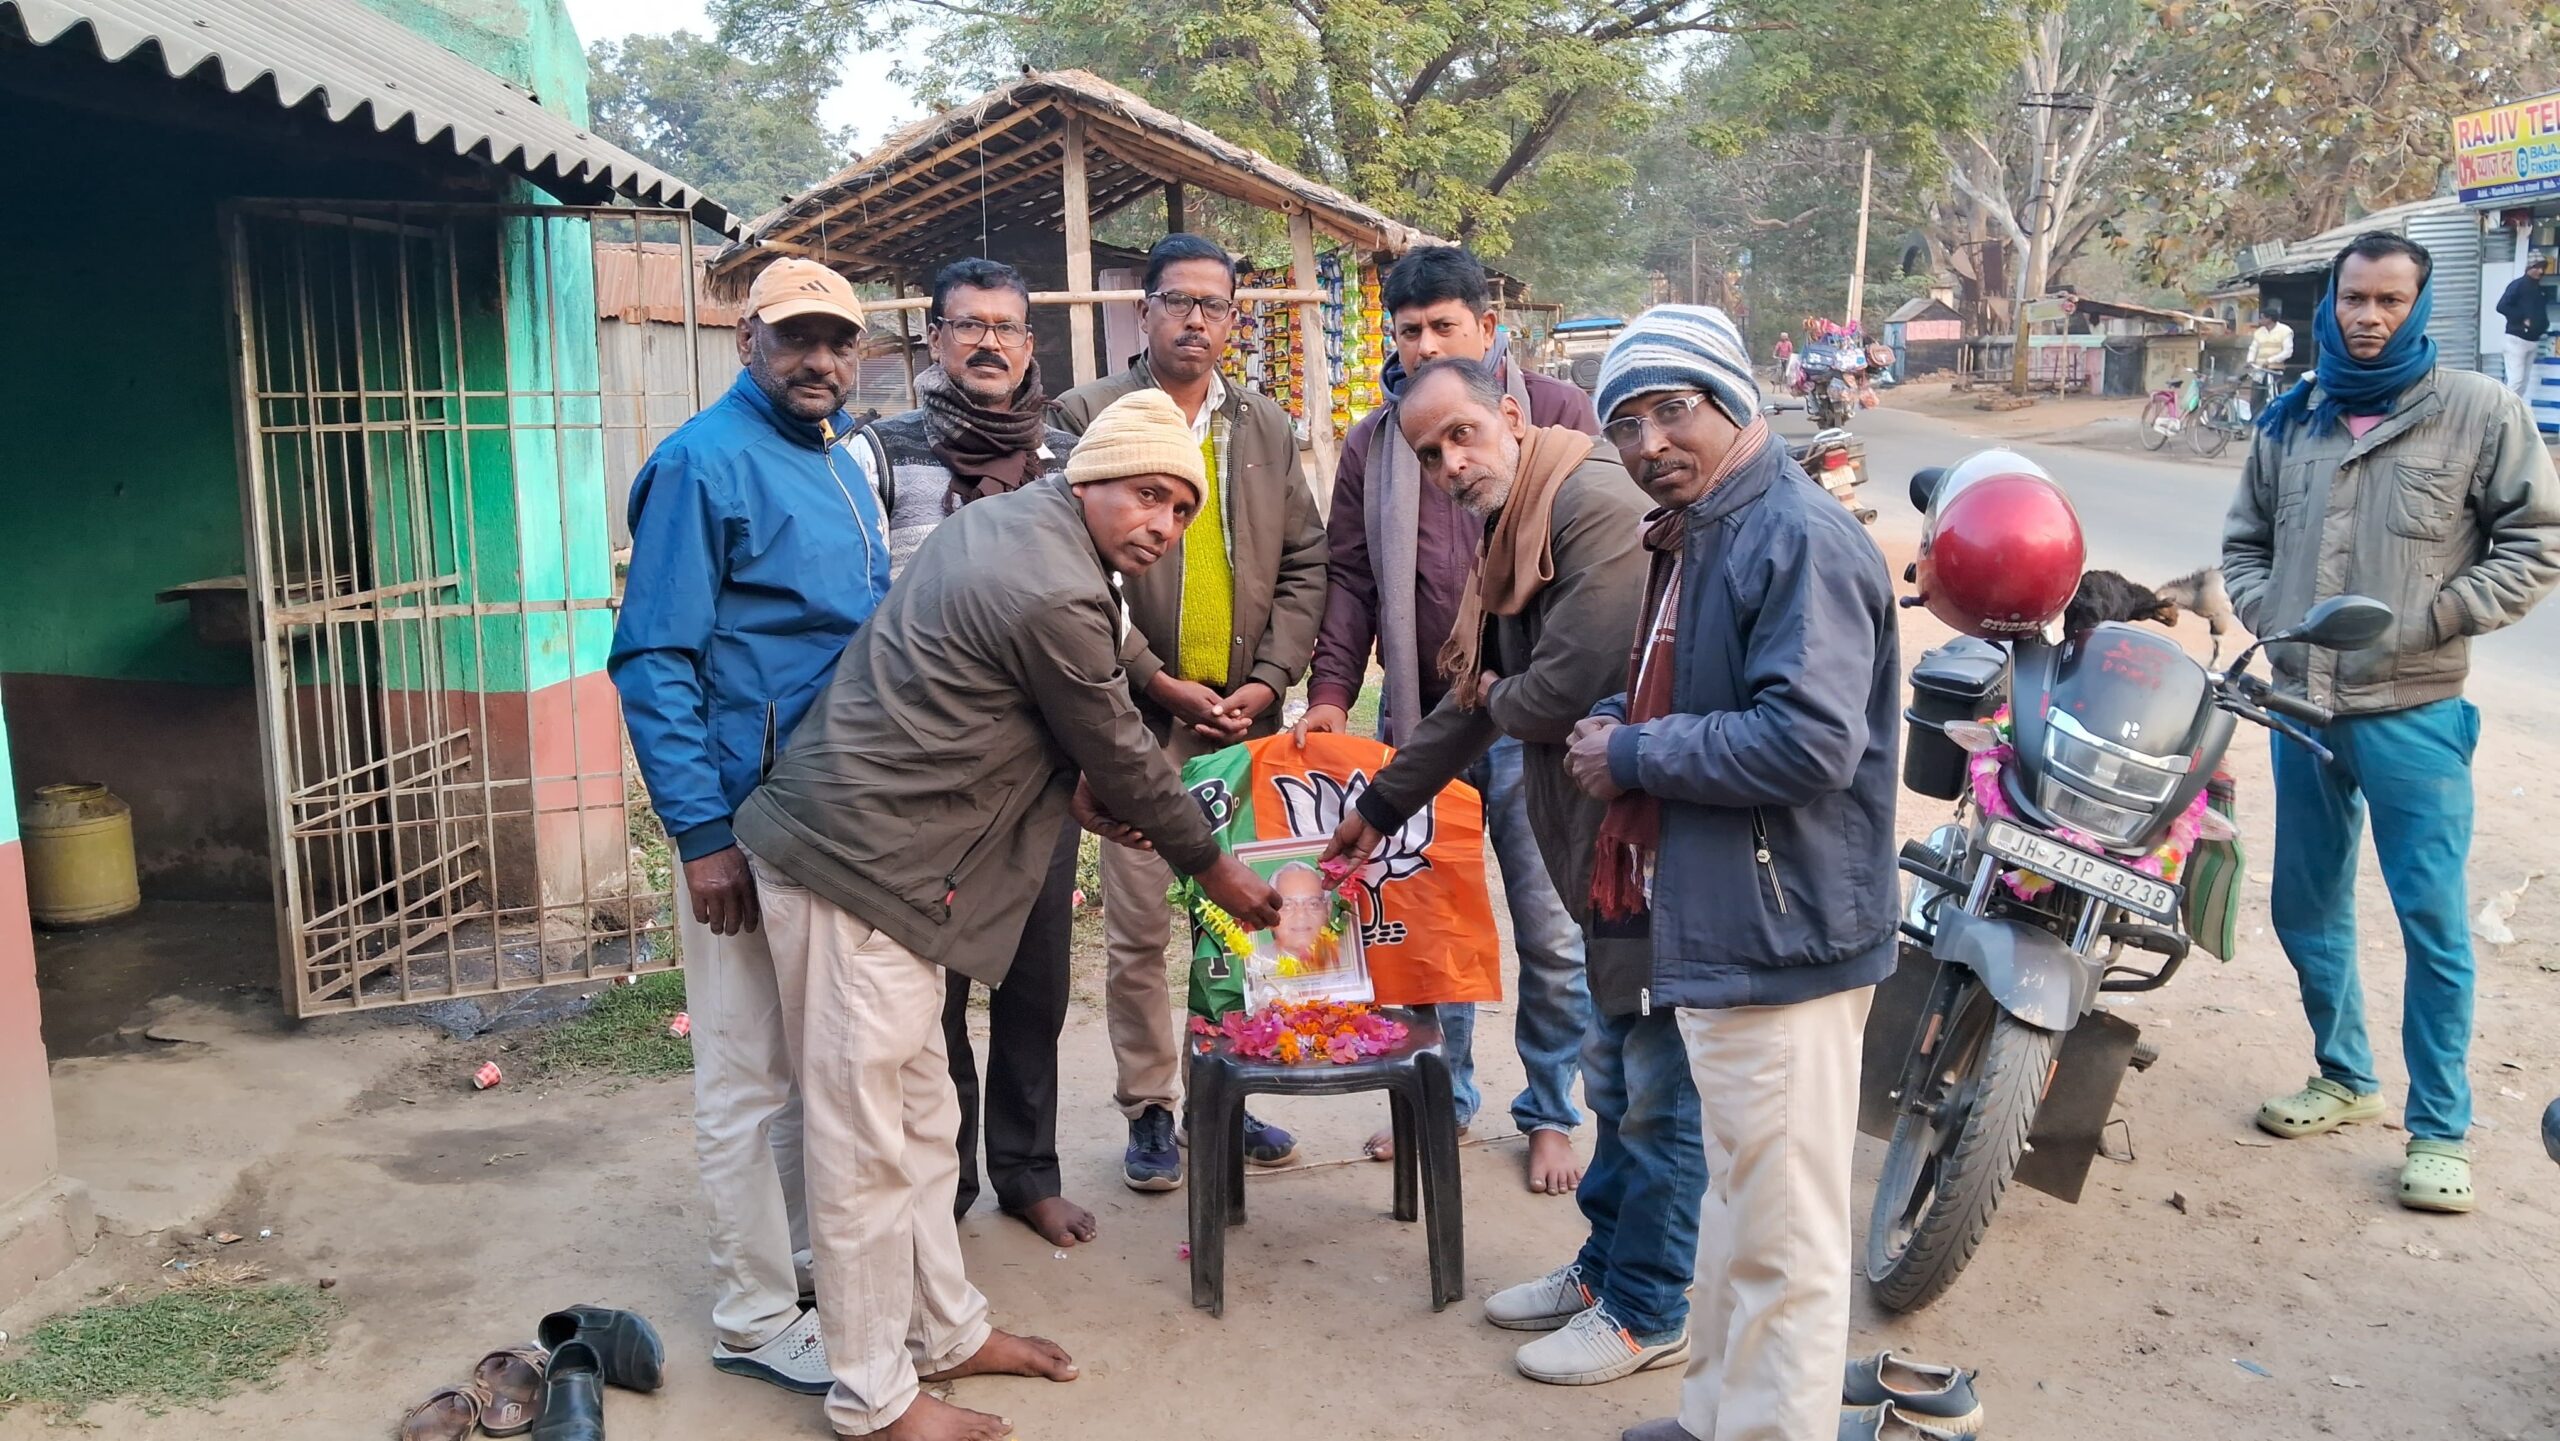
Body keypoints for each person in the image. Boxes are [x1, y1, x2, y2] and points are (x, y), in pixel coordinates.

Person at [735, 390, 1285, 1441]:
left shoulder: (1024, 526)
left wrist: (1089, 764)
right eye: (1147, 495)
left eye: (1181, 508)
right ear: (1092, 477)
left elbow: (1054, 678)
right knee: (865, 1147)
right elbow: (1118, 746)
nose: (1162, 525)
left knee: (921, 1123)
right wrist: (1215, 870)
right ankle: (873, 1397)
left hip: (899, 868)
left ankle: (942, 1331)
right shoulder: (1047, 581)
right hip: (859, 865)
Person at [1565, 306, 1900, 1441]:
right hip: (1731, 914)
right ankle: (1715, 1416)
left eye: (1672, 409)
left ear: (1736, 402)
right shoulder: (1702, 529)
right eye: (1624, 423)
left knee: (1783, 1236)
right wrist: (1622, 720)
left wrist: (1633, 753)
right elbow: (1700, 689)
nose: (1649, 441)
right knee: (1736, 1203)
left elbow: (1809, 742)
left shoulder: (1792, 535)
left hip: (1784, 927)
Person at [1318, 357, 1681, 1387]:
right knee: (1619, 1068)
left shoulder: (1590, 505)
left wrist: (1497, 692)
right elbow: (1472, 697)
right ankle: (1606, 1269)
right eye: (1430, 453)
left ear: (1511, 416)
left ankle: (1648, 1308)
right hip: (1602, 844)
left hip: (1648, 848)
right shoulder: (1515, 522)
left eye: (1463, 435)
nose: (1450, 464)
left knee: (1654, 1088)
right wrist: (1378, 808)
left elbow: (1560, 686)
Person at [2224, 232, 2560, 1215]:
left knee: (2432, 923)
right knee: (2304, 906)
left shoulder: (2479, 413)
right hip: (2301, 707)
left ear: (2419, 307)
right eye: (2354, 298)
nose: (2368, 316)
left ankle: (2440, 1128)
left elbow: (2535, 543)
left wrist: (2435, 618)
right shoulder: (2293, 417)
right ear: (2330, 303)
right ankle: (2345, 1074)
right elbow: (2245, 541)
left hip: (2415, 709)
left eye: (2389, 300)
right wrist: (2269, 614)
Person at [611, 257, 889, 1396]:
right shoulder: (701, 462)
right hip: (744, 816)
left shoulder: (840, 456)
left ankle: (808, 1269)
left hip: (827, 814)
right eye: (795, 338)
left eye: (837, 340)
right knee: (743, 1073)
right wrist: (700, 835)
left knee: (815, 1064)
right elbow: (654, 658)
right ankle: (753, 1312)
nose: (818, 359)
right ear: (747, 341)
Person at [1296, 244, 1602, 1194]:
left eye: (1443, 326)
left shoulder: (1557, 413)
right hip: (1424, 720)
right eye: (1409, 330)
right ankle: (1444, 1095)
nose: (1425, 345)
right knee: (1430, 927)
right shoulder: (1373, 443)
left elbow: (1595, 564)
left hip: (1538, 723)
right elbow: (1351, 578)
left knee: (1552, 929)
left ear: (1488, 328)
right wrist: (1331, 691)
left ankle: (1550, 1110)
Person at [1052, 233, 1330, 1193]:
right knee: (1139, 931)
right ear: (1144, 311)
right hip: (1136, 720)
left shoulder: (1264, 425)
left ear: (1235, 319)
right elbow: (1075, 571)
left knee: (1237, 921)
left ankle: (1229, 1089)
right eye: (1177, 301)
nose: (1196, 320)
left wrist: (1272, 677)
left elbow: (1306, 562)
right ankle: (1151, 1109)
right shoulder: (1089, 415)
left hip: (1244, 725)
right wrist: (1157, 680)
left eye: (1215, 305)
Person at [859, 257, 1093, 1249]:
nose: (988, 343)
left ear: (1030, 343)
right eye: (968, 326)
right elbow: (862, 596)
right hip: (931, 771)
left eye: (1005, 326)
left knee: (1035, 980)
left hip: (1040, 766)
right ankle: (946, 1179)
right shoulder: (882, 451)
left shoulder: (1068, 456)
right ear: (935, 338)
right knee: (935, 991)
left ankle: (1029, 1172)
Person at [2495, 253, 2549, 400]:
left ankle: (2514, 410)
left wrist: (2543, 325)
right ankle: (2504, 409)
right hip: (2516, 339)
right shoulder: (2518, 285)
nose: (2541, 271)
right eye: (2537, 267)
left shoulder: (2539, 289)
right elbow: (2501, 306)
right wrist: (2522, 319)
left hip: (2532, 340)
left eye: (2543, 268)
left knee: (2523, 383)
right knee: (2516, 381)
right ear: (2528, 268)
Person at [2246, 306, 2295, 401]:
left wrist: (2270, 361)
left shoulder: (2285, 331)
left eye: (2262, 318)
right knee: (2256, 396)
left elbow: (2288, 352)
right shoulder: (2259, 332)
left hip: (2275, 370)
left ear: (2269, 319)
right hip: (2259, 369)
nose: (2260, 320)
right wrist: (2250, 361)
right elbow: (2253, 348)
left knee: (2272, 396)